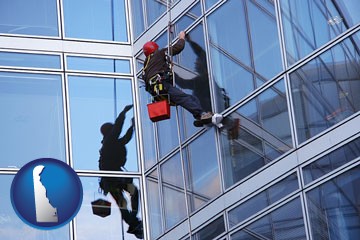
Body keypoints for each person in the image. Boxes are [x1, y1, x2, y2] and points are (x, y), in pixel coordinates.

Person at [142, 30, 213, 126]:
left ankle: (199, 116)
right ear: (155, 49)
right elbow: (178, 48)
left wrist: (168, 68)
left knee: (190, 98)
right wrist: (181, 38)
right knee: (184, 98)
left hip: (157, 91)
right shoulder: (159, 54)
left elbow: (148, 80)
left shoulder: (146, 67)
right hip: (163, 85)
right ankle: (201, 114)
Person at [98, 104, 143, 239]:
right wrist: (123, 113)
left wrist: (132, 127)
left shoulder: (113, 143)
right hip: (112, 180)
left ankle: (133, 220)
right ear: (109, 132)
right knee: (123, 202)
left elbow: (125, 139)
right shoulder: (109, 142)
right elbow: (118, 129)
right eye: (112, 130)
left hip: (115, 178)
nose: (114, 132)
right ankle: (133, 222)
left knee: (133, 192)